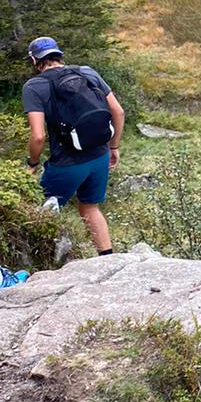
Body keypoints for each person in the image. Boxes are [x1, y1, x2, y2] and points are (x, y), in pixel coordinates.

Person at [22, 37, 124, 257]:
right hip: (99, 156)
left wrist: (32, 163)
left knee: (40, 209)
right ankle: (107, 258)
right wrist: (113, 147)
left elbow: (38, 136)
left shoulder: (34, 87)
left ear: (34, 59)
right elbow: (118, 112)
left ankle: (43, 262)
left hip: (66, 163)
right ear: (59, 54)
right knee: (89, 206)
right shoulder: (88, 72)